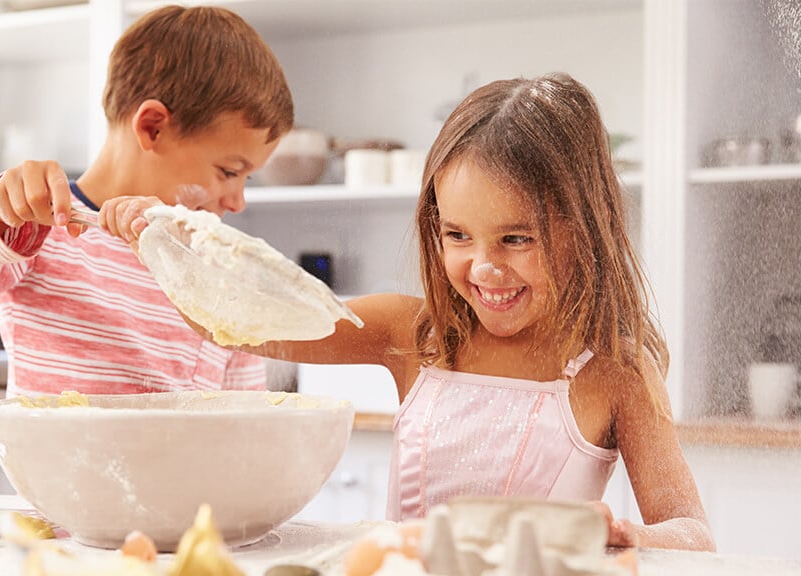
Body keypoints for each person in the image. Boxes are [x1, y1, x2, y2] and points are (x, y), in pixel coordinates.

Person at [99, 73, 715, 551]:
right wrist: (157, 243)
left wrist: (630, 534)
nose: (484, 268)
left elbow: (693, 534)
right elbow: (234, 325)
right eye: (457, 236)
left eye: (517, 239)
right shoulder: (412, 334)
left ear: (584, 228)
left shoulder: (614, 372)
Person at [0, 5, 294, 397]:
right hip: (56, 474)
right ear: (152, 128)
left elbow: (246, 418)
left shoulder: (221, 270)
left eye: (247, 178)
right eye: (228, 172)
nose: (238, 202)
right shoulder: (37, 230)